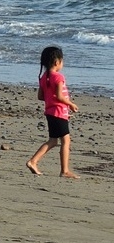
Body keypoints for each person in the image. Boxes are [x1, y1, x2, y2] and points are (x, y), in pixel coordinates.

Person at [26, 46, 80, 178]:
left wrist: (52, 100)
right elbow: (60, 96)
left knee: (53, 141)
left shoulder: (44, 77)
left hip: (51, 112)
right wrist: (70, 104)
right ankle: (63, 170)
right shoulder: (58, 77)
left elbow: (40, 96)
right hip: (58, 112)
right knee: (65, 141)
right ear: (57, 62)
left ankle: (34, 161)